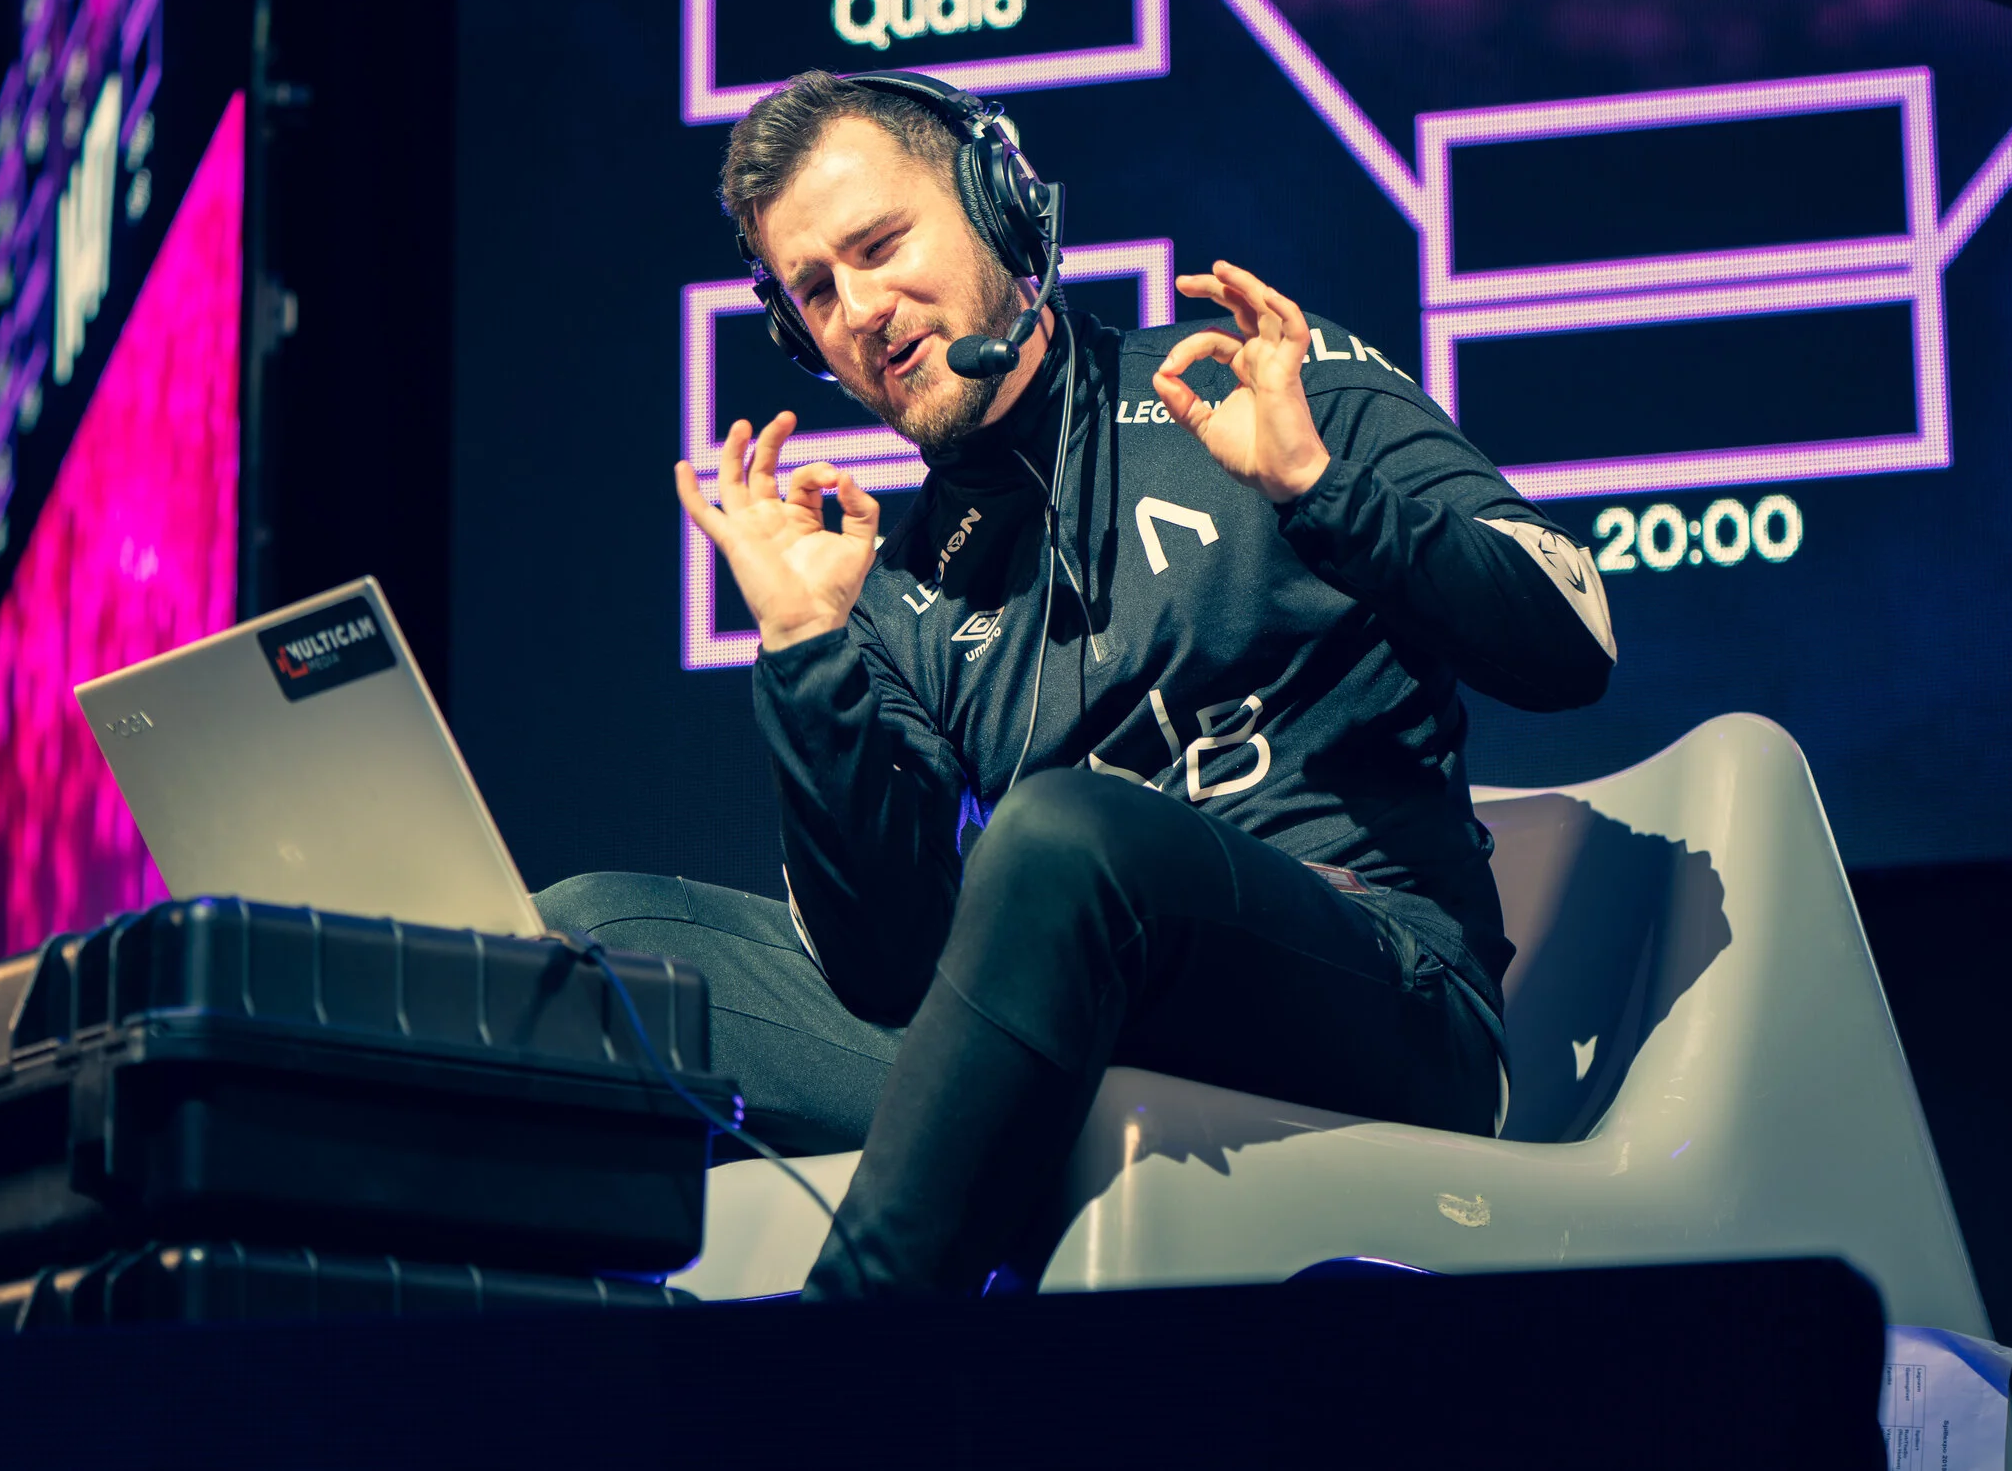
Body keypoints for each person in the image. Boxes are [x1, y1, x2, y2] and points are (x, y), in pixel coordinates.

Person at [535, 69, 1618, 1299]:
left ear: (1000, 210)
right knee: (580, 942)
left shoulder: (1266, 387)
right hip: (1066, 1033)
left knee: (1061, 838)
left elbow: (1569, 643)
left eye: (881, 247)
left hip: (1381, 1002)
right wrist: (804, 649)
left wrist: (1323, 494)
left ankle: (839, 1361)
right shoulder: (882, 594)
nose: (862, 310)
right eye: (817, 293)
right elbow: (887, 972)